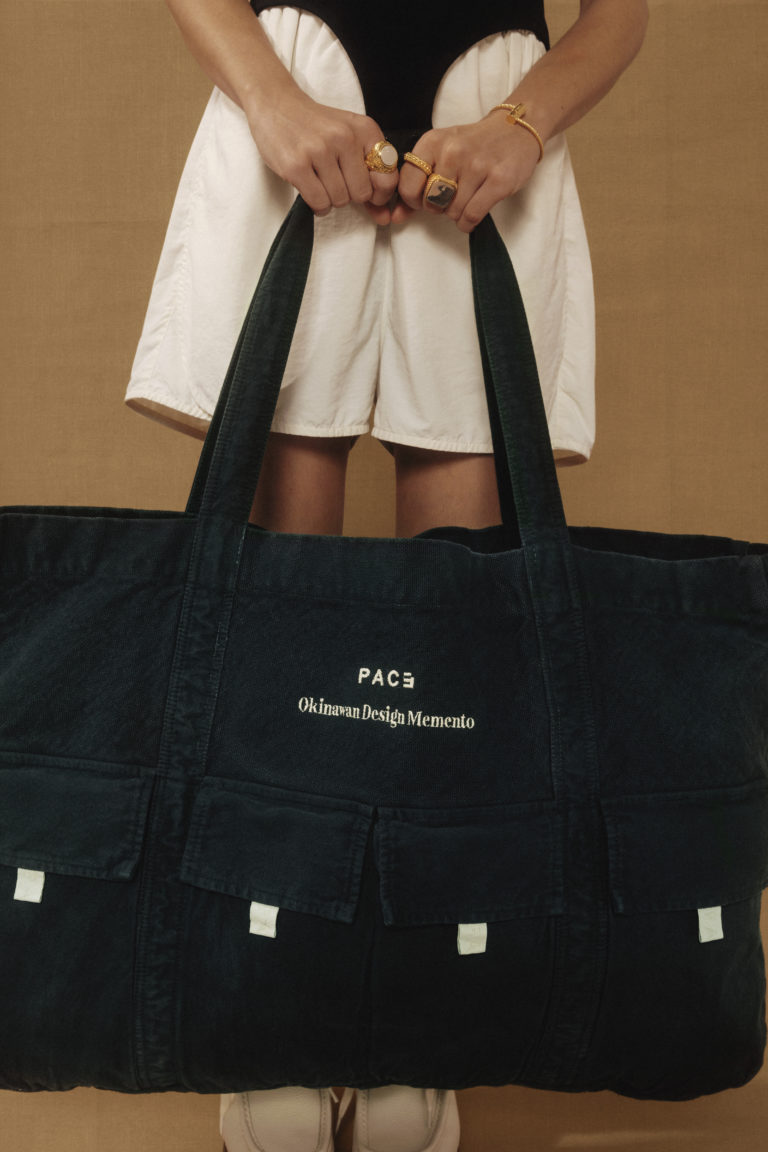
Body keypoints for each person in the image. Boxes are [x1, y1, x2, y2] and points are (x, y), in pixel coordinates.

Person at [126, 2, 648, 1149]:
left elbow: (621, 13)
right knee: (276, 600)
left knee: (455, 630)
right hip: (293, 83)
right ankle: (276, 1000)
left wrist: (522, 124)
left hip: (491, 115)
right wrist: (271, 100)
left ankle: (416, 1006)